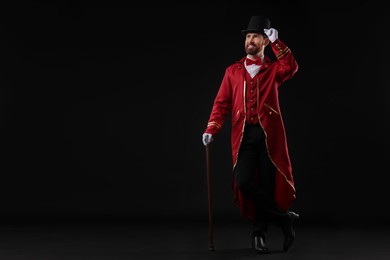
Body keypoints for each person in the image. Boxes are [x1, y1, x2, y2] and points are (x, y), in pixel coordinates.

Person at [202, 15, 299, 254]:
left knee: (266, 185)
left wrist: (278, 43)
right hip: (243, 136)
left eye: (255, 36)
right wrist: (211, 128)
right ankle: (284, 220)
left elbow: (291, 67)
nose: (250, 40)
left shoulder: (274, 69)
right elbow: (222, 103)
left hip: (269, 138)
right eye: (248, 36)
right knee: (244, 181)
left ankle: (259, 235)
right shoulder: (233, 71)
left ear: (264, 41)